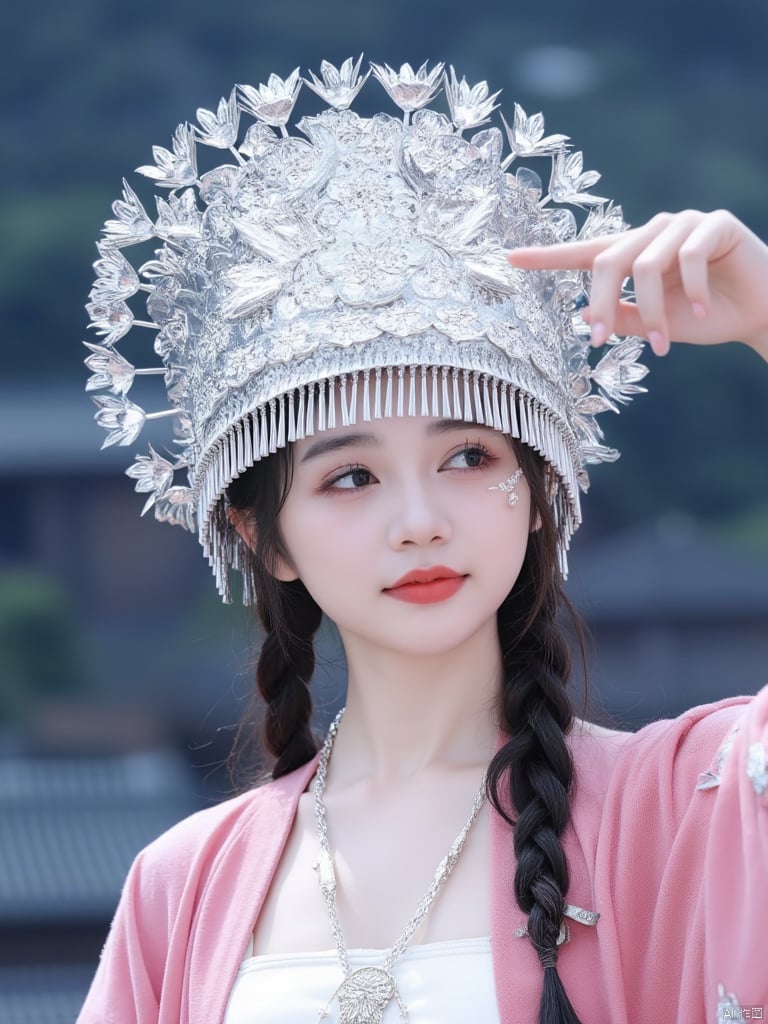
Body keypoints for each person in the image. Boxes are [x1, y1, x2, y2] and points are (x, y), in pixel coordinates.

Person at [77, 59, 768, 1024]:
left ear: (534, 493)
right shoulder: (183, 885)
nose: (420, 519)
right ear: (261, 535)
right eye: (349, 477)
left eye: (469, 455)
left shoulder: (685, 802)